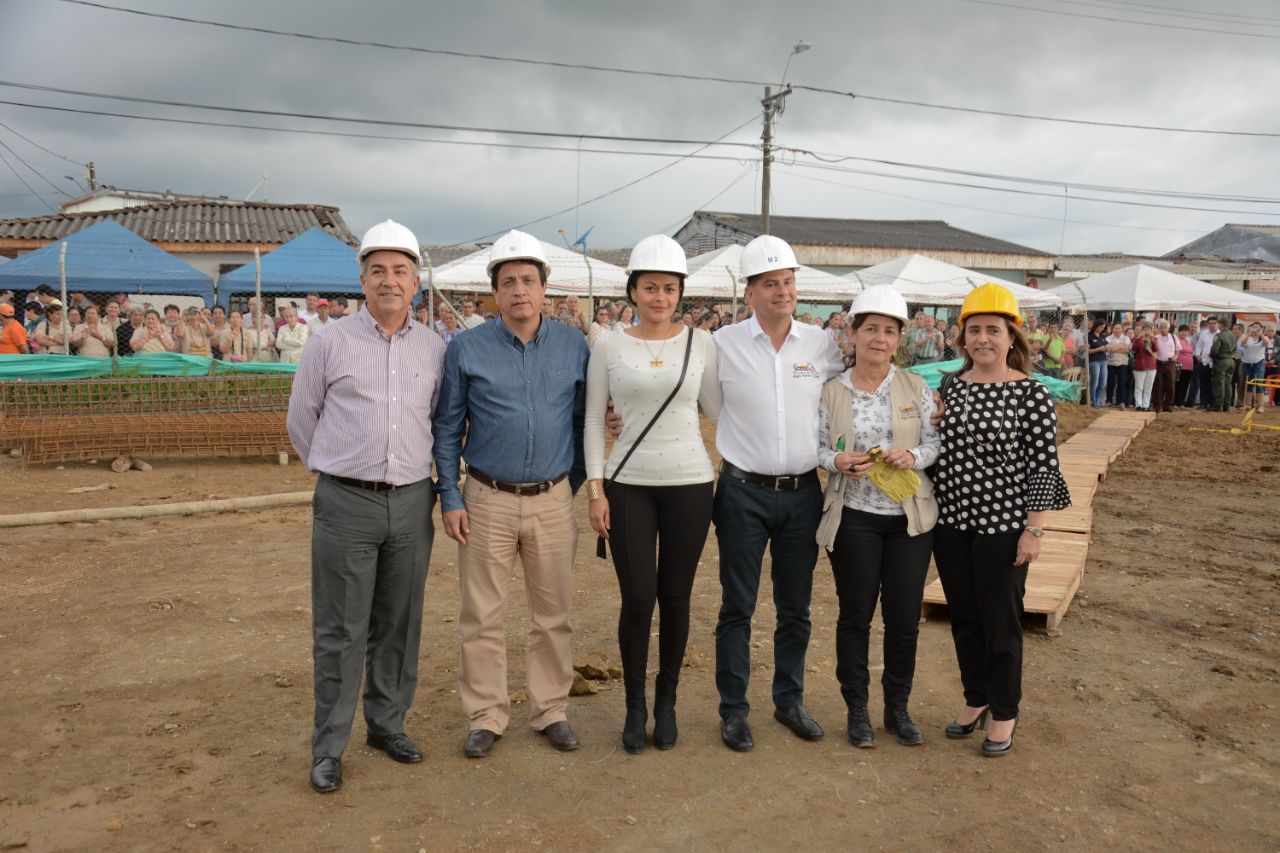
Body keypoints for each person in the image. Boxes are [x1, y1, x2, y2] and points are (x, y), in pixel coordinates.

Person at [287, 220, 444, 795]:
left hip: (410, 502)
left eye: (400, 270)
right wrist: (340, 470)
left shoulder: (432, 347)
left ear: (416, 280)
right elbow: (301, 422)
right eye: (377, 270)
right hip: (346, 502)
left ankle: (387, 724)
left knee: (399, 622)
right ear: (361, 277)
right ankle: (328, 747)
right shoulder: (329, 341)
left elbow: (439, 421)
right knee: (341, 629)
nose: (389, 280)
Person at [433, 229, 589, 759]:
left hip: (552, 498)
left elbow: (585, 418)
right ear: (493, 293)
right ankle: (486, 714)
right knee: (482, 614)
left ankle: (551, 709)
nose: (519, 290)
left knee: (553, 612)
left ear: (546, 288)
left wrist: (574, 482)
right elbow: (448, 427)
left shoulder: (574, 345)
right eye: (508, 282)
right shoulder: (466, 348)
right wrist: (450, 497)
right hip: (486, 498)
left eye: (528, 280)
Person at [584, 235, 721, 754]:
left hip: (689, 483)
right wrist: (596, 490)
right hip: (627, 486)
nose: (659, 297)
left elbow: (720, 412)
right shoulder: (610, 344)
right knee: (638, 597)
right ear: (633, 291)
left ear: (680, 292)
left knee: (677, 597)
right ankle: (634, 705)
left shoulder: (701, 343)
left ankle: (667, 703)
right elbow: (594, 419)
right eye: (650, 287)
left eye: (669, 288)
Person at [710, 234, 846, 752]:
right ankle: (734, 711)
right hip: (742, 492)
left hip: (802, 493)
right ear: (750, 294)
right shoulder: (722, 344)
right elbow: (699, 402)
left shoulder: (821, 344)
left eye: (788, 282)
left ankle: (789, 701)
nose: (783, 291)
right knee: (737, 606)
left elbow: (854, 390)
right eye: (771, 284)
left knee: (796, 607)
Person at [933, 283, 1070, 757]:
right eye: (975, 331)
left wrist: (1034, 529)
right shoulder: (949, 386)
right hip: (951, 522)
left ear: (1012, 337)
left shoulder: (1030, 393)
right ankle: (976, 697)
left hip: (1003, 527)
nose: (983, 339)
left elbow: (1043, 465)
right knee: (964, 618)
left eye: (993, 330)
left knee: (1000, 621)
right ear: (962, 338)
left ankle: (1004, 709)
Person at [816, 286, 939, 749]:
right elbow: (817, 446)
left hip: (909, 522)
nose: (879, 339)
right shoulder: (832, 391)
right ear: (852, 333)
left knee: (904, 618)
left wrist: (914, 455)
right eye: (870, 329)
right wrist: (837, 462)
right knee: (855, 616)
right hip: (854, 517)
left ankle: (898, 709)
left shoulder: (915, 388)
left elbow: (935, 443)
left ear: (899, 339)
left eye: (889, 331)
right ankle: (858, 710)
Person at [1210, 319, 1238, 413]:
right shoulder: (1233, 335)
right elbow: (1235, 348)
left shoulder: (1219, 336)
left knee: (1220, 383)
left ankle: (1219, 405)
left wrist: (1212, 356)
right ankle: (1227, 405)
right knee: (1228, 383)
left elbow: (1214, 350)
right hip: (1231, 360)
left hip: (1222, 361)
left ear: (1220, 324)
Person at [1241, 323, 1271, 409]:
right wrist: (1248, 334)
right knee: (1248, 383)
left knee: (1258, 383)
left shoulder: (1263, 338)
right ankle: (1247, 404)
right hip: (1247, 363)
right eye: (1253, 327)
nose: (1255, 329)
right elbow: (1242, 344)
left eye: (1257, 328)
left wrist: (1260, 333)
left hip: (1259, 363)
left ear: (1261, 328)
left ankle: (1260, 405)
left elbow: (1266, 342)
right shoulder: (1248, 337)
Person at [1152, 319, 1179, 413]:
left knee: (1170, 385)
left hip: (1170, 363)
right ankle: (1158, 405)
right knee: (1158, 385)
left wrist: (1175, 356)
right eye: (1161, 327)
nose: (1163, 329)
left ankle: (1167, 405)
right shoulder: (1155, 337)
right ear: (1159, 328)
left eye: (1165, 328)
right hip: (1159, 363)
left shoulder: (1174, 337)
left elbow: (1178, 349)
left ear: (1168, 328)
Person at [1131, 321, 1157, 411]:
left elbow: (1156, 349)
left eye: (1149, 329)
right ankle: (1138, 404)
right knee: (1139, 386)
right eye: (1145, 329)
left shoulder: (1153, 339)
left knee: (1148, 387)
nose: (1147, 331)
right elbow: (1133, 349)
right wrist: (1139, 338)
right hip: (1140, 365)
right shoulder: (1138, 339)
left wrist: (1151, 339)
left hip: (1151, 366)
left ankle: (1146, 405)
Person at [1193, 318, 1218, 411]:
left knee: (1213, 384)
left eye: (1214, 323)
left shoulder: (1220, 334)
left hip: (1215, 363)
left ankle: (1212, 403)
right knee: (1203, 383)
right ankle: (1203, 403)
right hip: (1204, 361)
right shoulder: (1203, 334)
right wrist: (1197, 355)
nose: (1212, 325)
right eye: (1210, 323)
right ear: (1208, 325)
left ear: (1217, 324)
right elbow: (1199, 346)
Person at [1105, 322, 1131, 409]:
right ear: (1112, 329)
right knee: (1110, 382)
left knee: (1122, 382)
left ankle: (1121, 401)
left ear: (1122, 329)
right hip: (1110, 363)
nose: (1117, 330)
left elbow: (1127, 350)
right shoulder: (1108, 338)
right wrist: (1120, 346)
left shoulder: (1126, 338)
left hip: (1123, 363)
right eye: (1116, 328)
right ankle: (1109, 400)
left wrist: (1114, 347)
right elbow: (1108, 349)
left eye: (1119, 328)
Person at [1086, 320, 1109, 408]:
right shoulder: (1089, 336)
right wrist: (1099, 349)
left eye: (1103, 328)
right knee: (1094, 382)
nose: (1102, 329)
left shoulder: (1102, 336)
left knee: (1103, 383)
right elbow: (1087, 351)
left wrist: (1107, 348)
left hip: (1103, 360)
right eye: (1101, 327)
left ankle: (1097, 399)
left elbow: (1105, 346)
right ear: (1096, 326)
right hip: (1094, 361)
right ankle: (1094, 401)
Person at [1174, 324, 1195, 407]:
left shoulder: (1187, 341)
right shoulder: (1176, 340)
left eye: (1186, 331)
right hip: (1179, 366)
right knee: (1177, 384)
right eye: (1182, 331)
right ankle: (1176, 401)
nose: (1184, 333)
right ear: (1179, 332)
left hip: (1189, 367)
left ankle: (1181, 401)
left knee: (1185, 384)